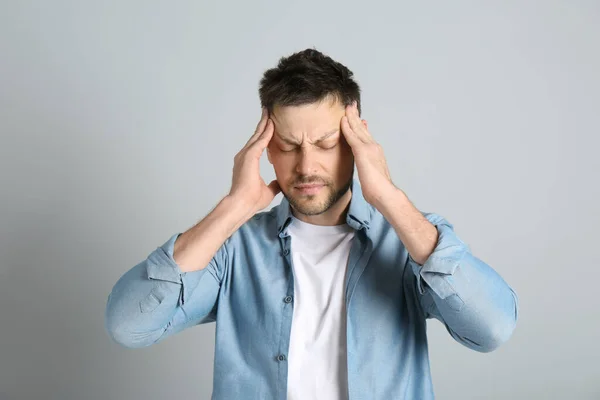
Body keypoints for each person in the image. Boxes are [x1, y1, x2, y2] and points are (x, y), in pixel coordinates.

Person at [105, 48, 518, 400]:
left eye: (326, 144)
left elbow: (492, 328)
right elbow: (129, 326)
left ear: (359, 141)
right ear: (266, 149)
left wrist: (387, 196)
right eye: (287, 146)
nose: (306, 166)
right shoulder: (231, 249)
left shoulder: (410, 240)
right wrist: (234, 207)